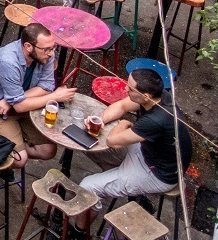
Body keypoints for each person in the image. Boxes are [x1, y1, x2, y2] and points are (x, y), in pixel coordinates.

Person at [77, 68, 192, 228]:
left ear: (146, 96)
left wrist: (123, 124)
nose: (126, 89)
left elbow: (112, 141)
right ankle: (129, 190)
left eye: (130, 89)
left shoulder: (156, 120)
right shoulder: (158, 96)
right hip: (148, 151)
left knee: (87, 187)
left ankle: (78, 233)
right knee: (89, 143)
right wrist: (100, 120)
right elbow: (122, 106)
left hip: (157, 173)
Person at [0, 22, 75, 167]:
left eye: (53, 48)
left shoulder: (45, 55)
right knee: (19, 159)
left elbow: (46, 86)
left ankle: (6, 149)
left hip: (15, 104)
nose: (51, 53)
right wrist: (55, 97)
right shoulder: (8, 62)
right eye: (46, 49)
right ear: (28, 46)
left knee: (48, 151)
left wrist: (10, 100)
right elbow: (21, 106)